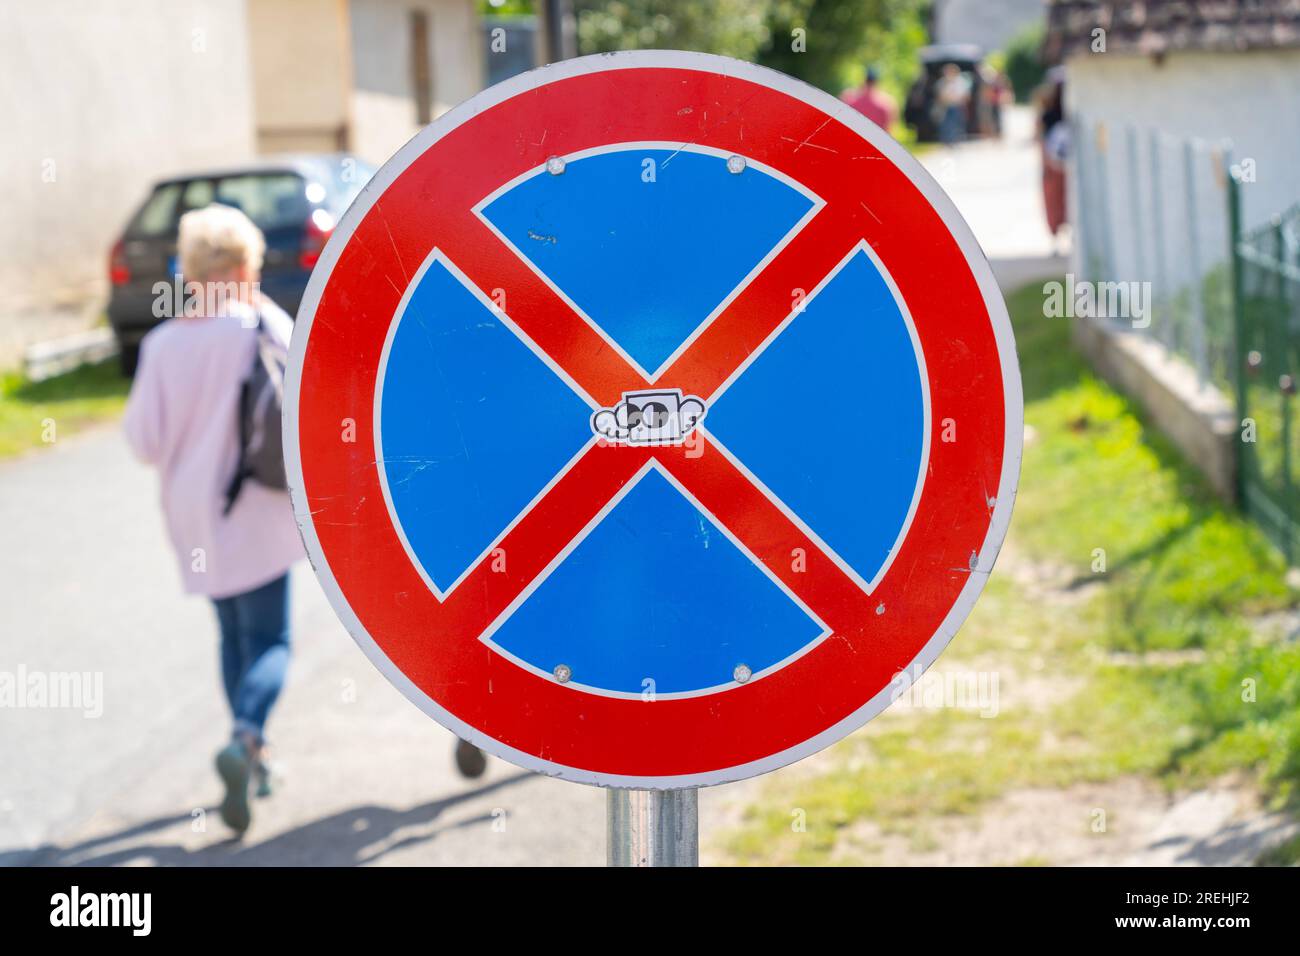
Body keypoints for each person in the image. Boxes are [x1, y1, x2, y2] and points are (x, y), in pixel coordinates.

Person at [124, 203, 303, 836]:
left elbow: (143, 442)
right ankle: (248, 735)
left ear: (193, 271)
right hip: (256, 507)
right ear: (240, 266)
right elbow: (305, 398)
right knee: (273, 640)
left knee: (231, 635)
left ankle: (251, 758)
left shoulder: (163, 343)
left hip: (192, 516)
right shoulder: (261, 323)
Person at [1037, 68, 1070, 244]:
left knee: (1053, 200)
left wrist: (1045, 164)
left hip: (1051, 164)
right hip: (1067, 166)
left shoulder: (1046, 115)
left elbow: (1040, 140)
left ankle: (1055, 237)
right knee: (1066, 199)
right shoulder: (1068, 115)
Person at [841, 66, 897, 131]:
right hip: (875, 139)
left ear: (864, 80)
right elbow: (888, 130)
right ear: (877, 82)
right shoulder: (887, 104)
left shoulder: (848, 98)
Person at [934, 63, 972, 145]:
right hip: (945, 107)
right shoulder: (942, 82)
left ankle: (956, 140)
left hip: (958, 106)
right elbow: (939, 96)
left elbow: (966, 95)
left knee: (958, 124)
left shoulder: (961, 82)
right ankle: (946, 141)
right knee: (946, 124)